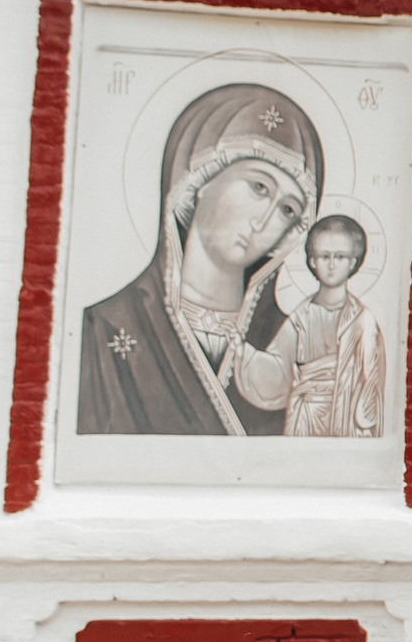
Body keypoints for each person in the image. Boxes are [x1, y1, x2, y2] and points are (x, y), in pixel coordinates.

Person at [78, 82, 323, 437]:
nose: (265, 220)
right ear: (202, 180)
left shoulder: (295, 342)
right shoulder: (106, 328)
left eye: (287, 209)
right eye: (259, 187)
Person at [242, 214, 387, 437]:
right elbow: (278, 369)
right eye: (324, 256)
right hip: (305, 420)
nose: (331, 265)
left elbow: (371, 386)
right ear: (312, 261)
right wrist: (243, 354)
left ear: (353, 262)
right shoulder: (301, 318)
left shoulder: (363, 322)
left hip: (348, 422)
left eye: (340, 257)